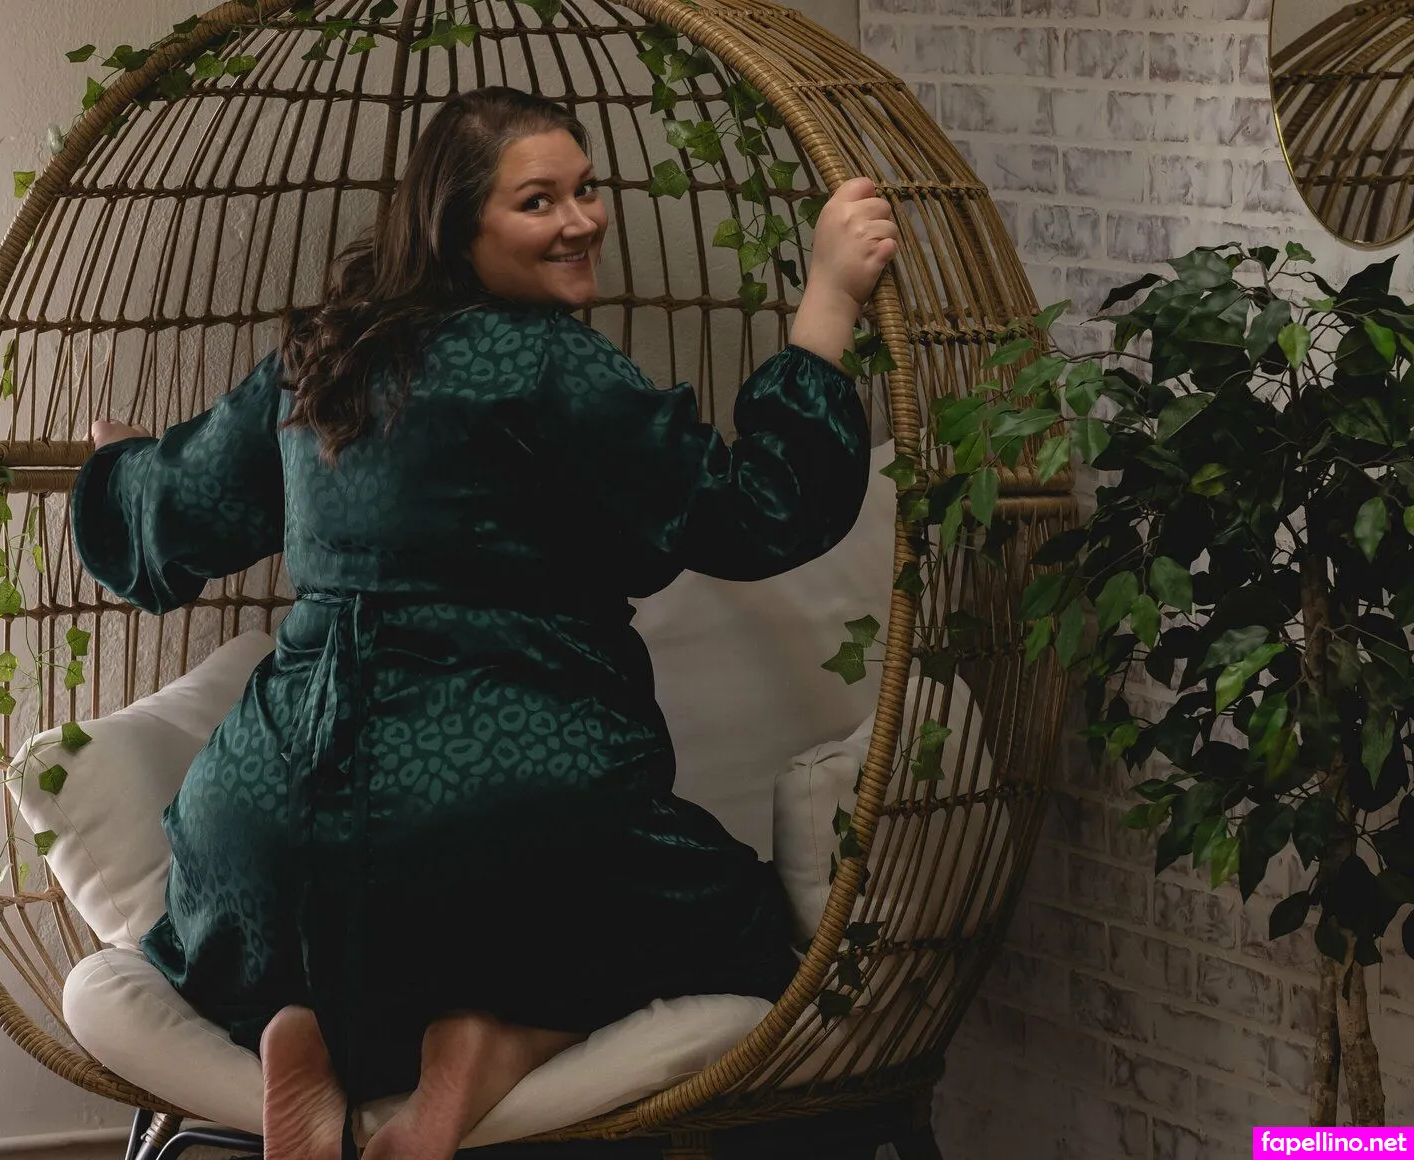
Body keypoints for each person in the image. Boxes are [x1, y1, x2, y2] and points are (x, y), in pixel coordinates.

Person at [72, 85, 898, 1160]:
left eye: (586, 189)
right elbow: (757, 510)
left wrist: (120, 464)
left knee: (252, 935)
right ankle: (495, 1037)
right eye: (537, 201)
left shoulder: (322, 360)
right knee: (735, 927)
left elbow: (166, 515)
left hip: (267, 822)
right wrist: (828, 299)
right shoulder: (549, 363)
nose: (582, 220)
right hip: (505, 809)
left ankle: (304, 1021)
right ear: (457, 228)